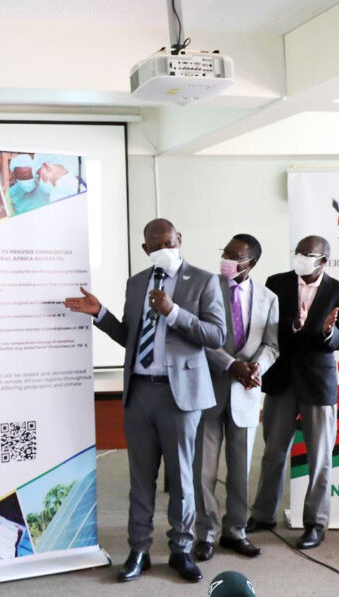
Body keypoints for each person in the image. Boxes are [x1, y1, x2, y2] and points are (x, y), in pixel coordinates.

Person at [64, 218, 225, 584]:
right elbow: (131, 337)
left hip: (180, 395)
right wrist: (100, 315)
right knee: (140, 478)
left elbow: (216, 335)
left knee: (183, 478)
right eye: (155, 246)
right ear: (145, 250)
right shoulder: (137, 283)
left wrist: (174, 312)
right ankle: (138, 550)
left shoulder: (202, 280)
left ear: (179, 239)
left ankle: (181, 549)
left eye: (168, 242)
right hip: (139, 392)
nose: (162, 249)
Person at [246, 235, 339, 550]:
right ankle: (263, 515)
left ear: (323, 260)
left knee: (320, 458)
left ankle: (315, 524)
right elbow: (267, 329)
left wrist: (327, 331)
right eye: (299, 252)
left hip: (319, 384)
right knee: (273, 452)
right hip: (281, 379)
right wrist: (294, 325)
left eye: (309, 254)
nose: (301, 258)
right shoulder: (275, 283)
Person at [192, 234, 279, 563]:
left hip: (246, 392)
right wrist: (232, 366)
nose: (226, 259)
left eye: (234, 255)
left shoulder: (268, 298)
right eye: (225, 252)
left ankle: (235, 531)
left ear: (251, 263)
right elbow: (198, 335)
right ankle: (206, 534)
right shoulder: (204, 287)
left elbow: (272, 344)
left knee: (240, 469)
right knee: (204, 469)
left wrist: (257, 367)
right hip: (208, 388)